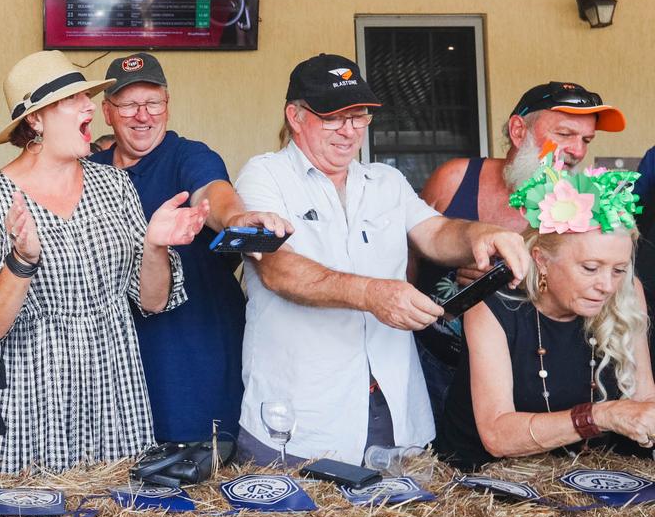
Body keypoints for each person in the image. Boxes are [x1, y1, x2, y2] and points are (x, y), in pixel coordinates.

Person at [234, 54, 529, 467]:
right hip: (300, 410)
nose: (349, 131)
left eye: (359, 116)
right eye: (333, 118)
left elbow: (436, 232)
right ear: (295, 116)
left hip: (392, 407)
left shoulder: (385, 181)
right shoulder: (264, 176)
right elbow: (279, 270)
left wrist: (483, 233)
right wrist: (373, 293)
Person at [0, 50, 208, 473]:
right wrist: (21, 261)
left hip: (110, 384)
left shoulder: (114, 185)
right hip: (27, 393)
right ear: (35, 119)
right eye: (74, 100)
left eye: (88, 97)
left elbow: (153, 302)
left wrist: (155, 245)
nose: (91, 107)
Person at [89, 53, 290, 450]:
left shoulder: (188, 155)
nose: (142, 115)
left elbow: (212, 194)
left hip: (193, 352)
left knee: (201, 470)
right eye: (128, 104)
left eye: (153, 103)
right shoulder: (89, 172)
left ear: (168, 104)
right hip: (118, 359)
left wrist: (238, 219)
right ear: (107, 112)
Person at [415, 82, 625, 421]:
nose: (577, 151)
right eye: (565, 134)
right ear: (518, 130)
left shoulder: (582, 208)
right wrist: (459, 264)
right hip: (432, 362)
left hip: (519, 375)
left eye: (586, 140)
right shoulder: (454, 178)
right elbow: (406, 260)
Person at [436, 156, 655, 470]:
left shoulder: (627, 290)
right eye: (590, 268)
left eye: (619, 269)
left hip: (592, 477)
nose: (607, 285)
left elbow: (646, 396)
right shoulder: (493, 303)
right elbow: (497, 436)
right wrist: (601, 415)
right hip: (490, 485)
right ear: (541, 260)